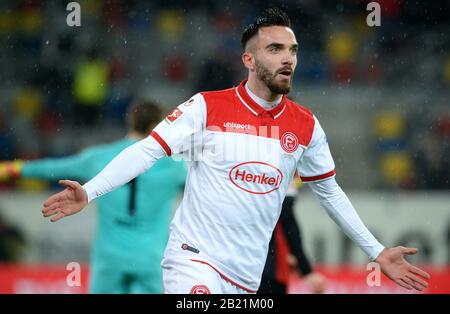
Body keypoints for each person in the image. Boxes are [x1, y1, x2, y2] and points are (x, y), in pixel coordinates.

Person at [41, 8, 430, 294]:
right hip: (193, 258)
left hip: (246, 275)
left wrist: (376, 251)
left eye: (292, 50)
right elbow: (146, 151)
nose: (287, 58)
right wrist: (89, 191)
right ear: (249, 59)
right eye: (275, 48)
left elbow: (329, 192)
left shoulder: (306, 125)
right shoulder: (206, 107)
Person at [1, 100, 187, 293]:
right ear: (159, 125)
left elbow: (53, 168)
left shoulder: (100, 156)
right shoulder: (174, 165)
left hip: (110, 258)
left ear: (130, 121)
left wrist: (11, 169)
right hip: (150, 257)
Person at [258, 177, 326, 294]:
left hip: (247, 266)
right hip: (269, 272)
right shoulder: (282, 175)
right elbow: (288, 226)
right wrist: (306, 270)